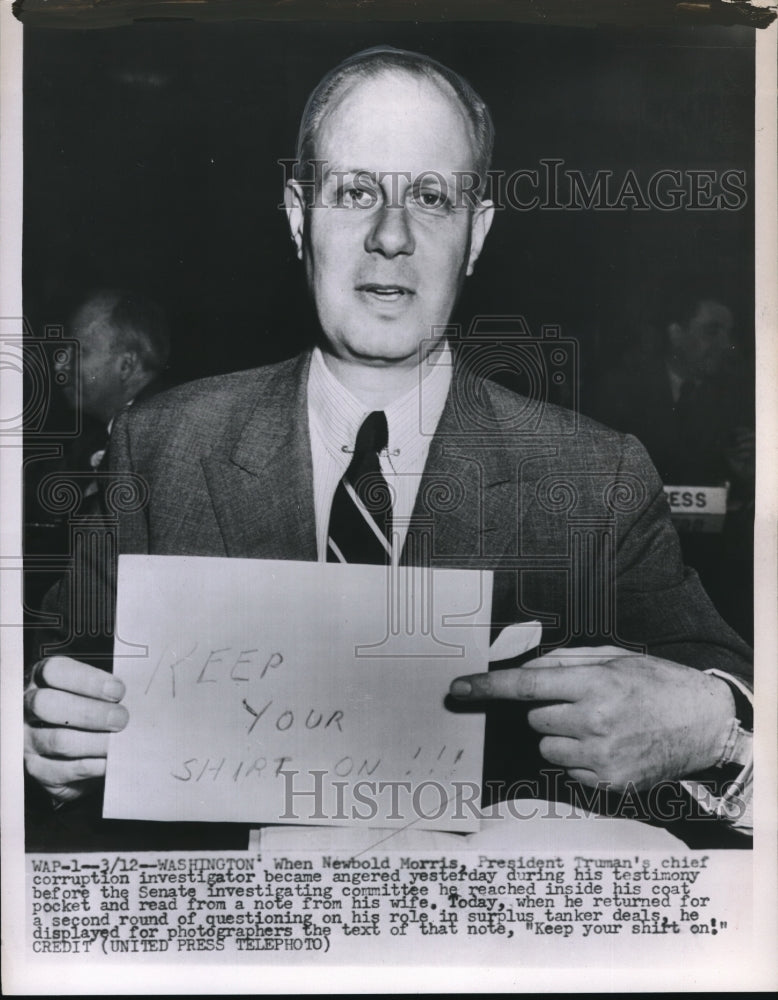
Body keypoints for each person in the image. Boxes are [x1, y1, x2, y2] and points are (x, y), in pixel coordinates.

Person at [24, 48, 752, 851]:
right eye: (357, 190)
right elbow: (56, 661)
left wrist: (715, 726)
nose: (391, 235)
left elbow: (731, 692)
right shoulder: (161, 447)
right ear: (300, 215)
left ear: (476, 234)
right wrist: (40, 734)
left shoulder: (594, 478)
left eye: (432, 198)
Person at [591, 283, 755, 641]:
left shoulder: (740, 398)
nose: (726, 344)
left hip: (711, 571)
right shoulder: (617, 390)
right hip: (628, 567)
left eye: (730, 332)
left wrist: (749, 475)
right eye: (712, 330)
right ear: (676, 334)